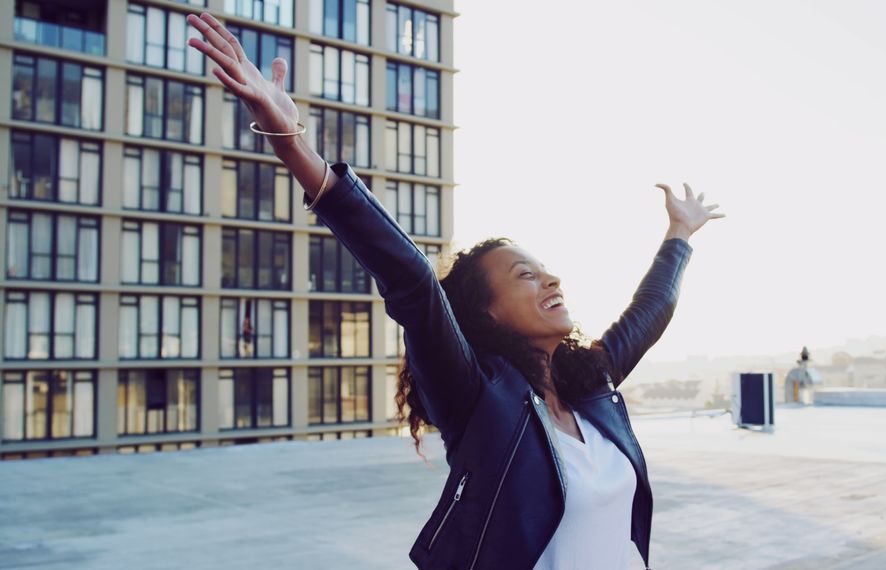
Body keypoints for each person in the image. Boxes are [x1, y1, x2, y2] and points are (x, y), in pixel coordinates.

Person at [187, 12, 725, 569]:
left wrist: (680, 233)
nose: (551, 279)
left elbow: (650, 311)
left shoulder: (590, 384)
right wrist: (296, 148)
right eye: (525, 275)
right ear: (486, 314)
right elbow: (415, 283)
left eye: (544, 269)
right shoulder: (477, 399)